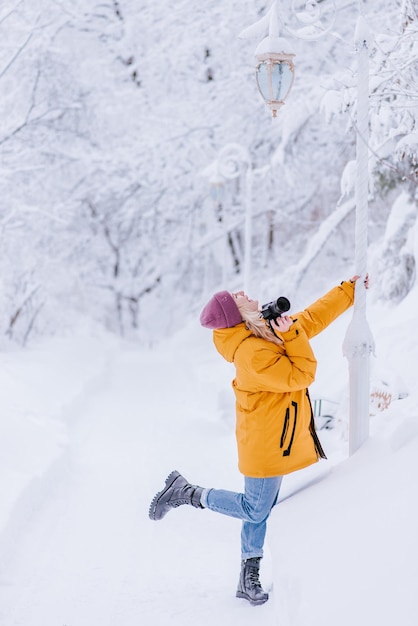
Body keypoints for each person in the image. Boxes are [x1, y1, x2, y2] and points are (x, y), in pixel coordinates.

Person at [149, 276, 367, 606]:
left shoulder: (259, 330)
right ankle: (187, 493)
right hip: (266, 444)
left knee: (259, 511)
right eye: (237, 297)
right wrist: (289, 334)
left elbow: (309, 319)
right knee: (254, 508)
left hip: (273, 437)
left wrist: (349, 291)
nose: (243, 293)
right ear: (237, 315)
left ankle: (247, 575)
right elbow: (302, 374)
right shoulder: (251, 354)